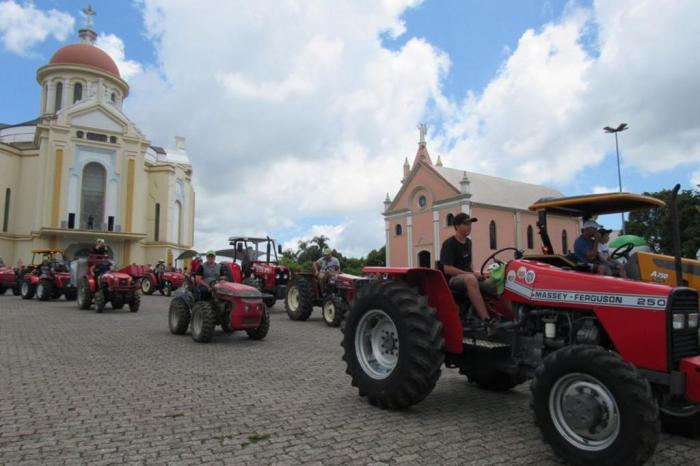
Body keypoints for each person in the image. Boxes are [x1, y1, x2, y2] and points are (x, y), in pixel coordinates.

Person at [440, 213, 497, 324]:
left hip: (468, 276)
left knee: (496, 280)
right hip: (453, 279)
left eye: (470, 223)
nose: (469, 226)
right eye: (466, 224)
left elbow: (469, 263)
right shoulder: (449, 244)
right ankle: (487, 321)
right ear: (457, 226)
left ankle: (513, 318)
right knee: (470, 279)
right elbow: (447, 269)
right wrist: (470, 274)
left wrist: (477, 273)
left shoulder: (468, 242)